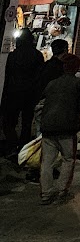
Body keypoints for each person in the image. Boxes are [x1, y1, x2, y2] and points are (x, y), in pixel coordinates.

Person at [38, 56, 80, 204]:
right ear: (76, 67)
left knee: (47, 162)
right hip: (67, 128)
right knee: (68, 158)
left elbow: (43, 101)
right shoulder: (78, 83)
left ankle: (45, 193)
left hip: (48, 127)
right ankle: (61, 191)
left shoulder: (52, 83)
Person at [2, 29, 44, 158]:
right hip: (30, 94)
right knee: (26, 122)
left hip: (13, 93)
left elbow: (7, 75)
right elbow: (39, 77)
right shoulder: (37, 55)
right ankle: (23, 148)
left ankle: (12, 145)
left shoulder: (13, 55)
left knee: (9, 122)